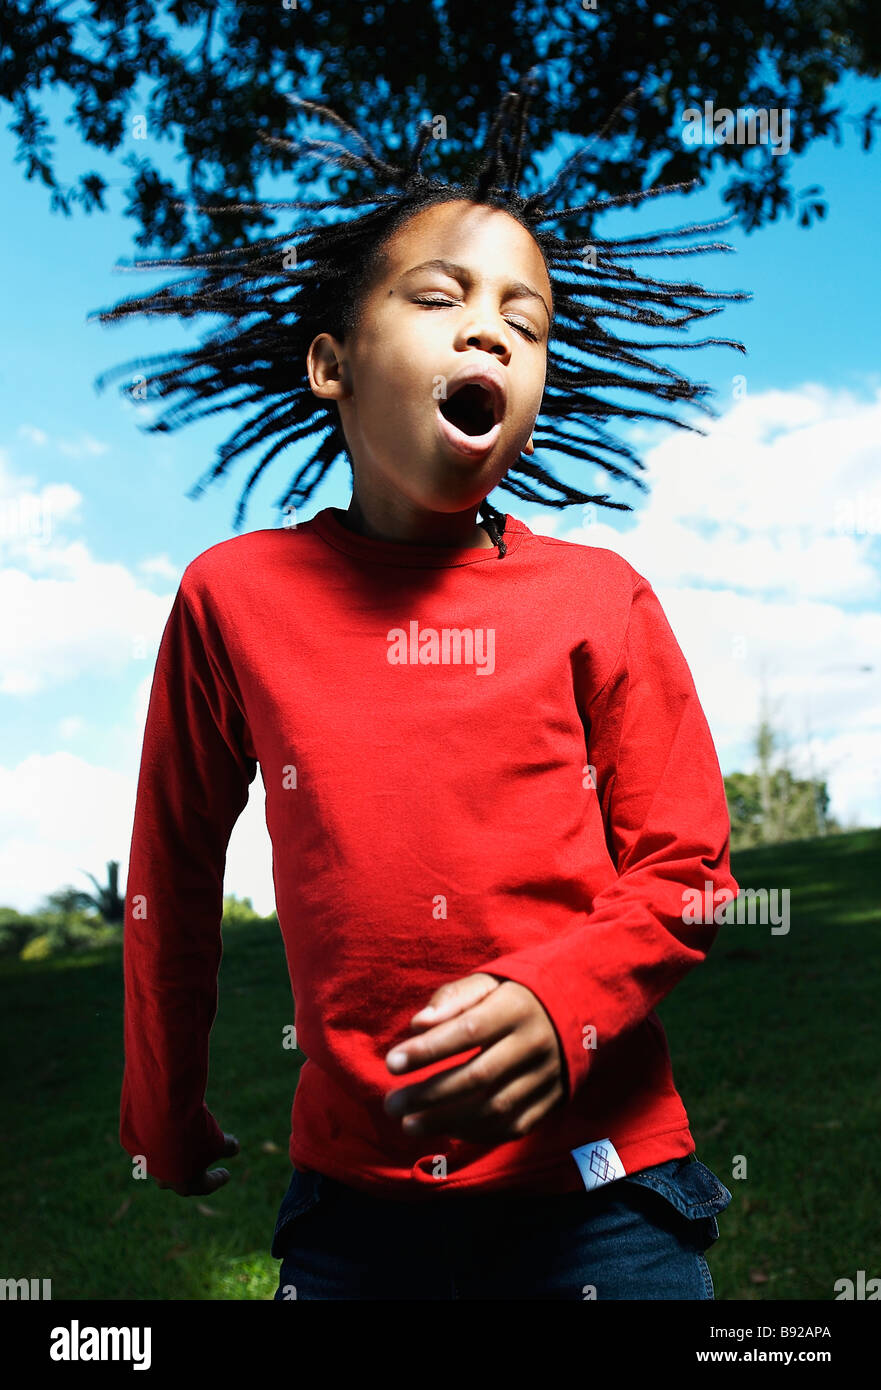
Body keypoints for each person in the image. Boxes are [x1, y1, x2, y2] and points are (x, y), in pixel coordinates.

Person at [103, 73, 746, 1300]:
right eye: (439, 296)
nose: (490, 329)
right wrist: (161, 1106)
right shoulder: (231, 597)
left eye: (527, 317)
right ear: (329, 365)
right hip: (356, 1212)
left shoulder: (598, 598)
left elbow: (688, 869)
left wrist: (565, 1003)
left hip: (603, 1192)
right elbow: (170, 871)